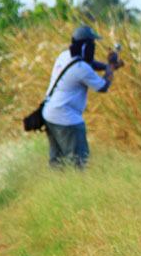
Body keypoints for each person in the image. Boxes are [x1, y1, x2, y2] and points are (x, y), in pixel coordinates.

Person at [41, 25, 121, 169]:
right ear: (85, 46)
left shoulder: (65, 55)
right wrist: (111, 65)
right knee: (78, 161)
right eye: (92, 43)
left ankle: (56, 188)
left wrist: (108, 67)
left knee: (57, 164)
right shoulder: (81, 69)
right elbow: (103, 87)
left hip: (49, 114)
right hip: (66, 118)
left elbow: (88, 63)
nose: (94, 47)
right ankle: (76, 187)